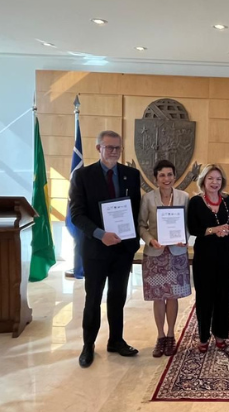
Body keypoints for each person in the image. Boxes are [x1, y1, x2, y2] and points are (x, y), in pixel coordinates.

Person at [69, 130, 141, 368]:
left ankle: (116, 340)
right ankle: (88, 345)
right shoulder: (82, 176)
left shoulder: (131, 175)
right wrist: (101, 234)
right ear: (98, 148)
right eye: (109, 147)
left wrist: (132, 240)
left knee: (118, 297)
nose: (113, 152)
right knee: (94, 298)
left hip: (122, 249)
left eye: (117, 148)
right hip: (96, 250)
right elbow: (77, 215)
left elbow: (135, 211)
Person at [138, 160, 191, 357]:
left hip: (176, 254)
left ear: (174, 177)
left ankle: (171, 335)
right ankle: (160, 336)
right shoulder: (148, 199)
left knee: (172, 295)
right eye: (162, 175)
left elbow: (188, 224)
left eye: (170, 175)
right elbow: (141, 225)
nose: (166, 179)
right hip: (156, 254)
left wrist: (183, 239)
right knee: (158, 297)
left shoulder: (184, 197)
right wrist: (151, 240)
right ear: (155, 178)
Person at [187, 164, 229, 352]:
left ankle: (221, 334)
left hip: (226, 253)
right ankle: (204, 336)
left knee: (223, 296)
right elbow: (194, 228)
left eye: (218, 179)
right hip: (205, 255)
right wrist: (214, 230)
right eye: (211, 179)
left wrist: (227, 228)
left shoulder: (227, 200)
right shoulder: (196, 202)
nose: (215, 182)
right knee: (205, 296)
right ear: (203, 181)